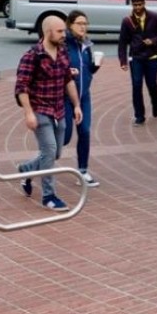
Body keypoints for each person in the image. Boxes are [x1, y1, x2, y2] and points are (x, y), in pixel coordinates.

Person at [14, 15, 82, 211]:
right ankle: (48, 196)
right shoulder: (32, 56)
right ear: (47, 32)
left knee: (55, 154)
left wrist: (76, 105)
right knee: (50, 150)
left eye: (64, 31)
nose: (64, 34)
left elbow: (68, 80)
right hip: (40, 109)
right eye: (60, 31)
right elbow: (21, 87)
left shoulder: (62, 52)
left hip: (59, 109)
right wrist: (29, 113)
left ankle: (26, 170)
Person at [63, 10, 101, 187]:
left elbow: (87, 69)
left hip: (84, 96)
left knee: (85, 131)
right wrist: (67, 73)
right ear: (70, 25)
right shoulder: (63, 44)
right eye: (79, 23)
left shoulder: (86, 44)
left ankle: (83, 171)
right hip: (64, 98)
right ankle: (33, 167)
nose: (83, 27)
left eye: (85, 23)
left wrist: (94, 68)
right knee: (63, 138)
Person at [118, 0, 157, 126]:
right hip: (136, 58)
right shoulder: (127, 21)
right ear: (132, 5)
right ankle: (139, 116)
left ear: (144, 3)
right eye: (135, 5)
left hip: (152, 57)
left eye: (140, 4)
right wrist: (123, 61)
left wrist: (153, 41)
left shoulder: (154, 17)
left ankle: (155, 102)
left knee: (152, 85)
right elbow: (122, 42)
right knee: (136, 86)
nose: (137, 7)